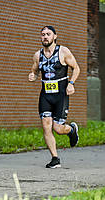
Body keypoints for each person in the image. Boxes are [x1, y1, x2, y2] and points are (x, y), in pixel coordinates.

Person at [28, 26, 80, 168]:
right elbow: (34, 70)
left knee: (58, 128)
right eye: (43, 34)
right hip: (45, 94)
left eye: (48, 34)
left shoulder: (63, 51)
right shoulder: (37, 55)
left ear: (55, 36)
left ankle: (71, 130)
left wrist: (71, 83)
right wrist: (33, 75)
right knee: (46, 125)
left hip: (61, 94)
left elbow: (76, 68)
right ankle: (55, 158)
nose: (45, 37)